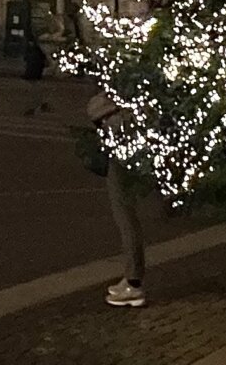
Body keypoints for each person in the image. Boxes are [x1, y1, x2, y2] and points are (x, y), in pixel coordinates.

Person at [81, 93, 151, 308]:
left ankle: (133, 281)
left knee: (124, 214)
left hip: (122, 134)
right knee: (124, 213)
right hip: (128, 133)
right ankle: (131, 278)